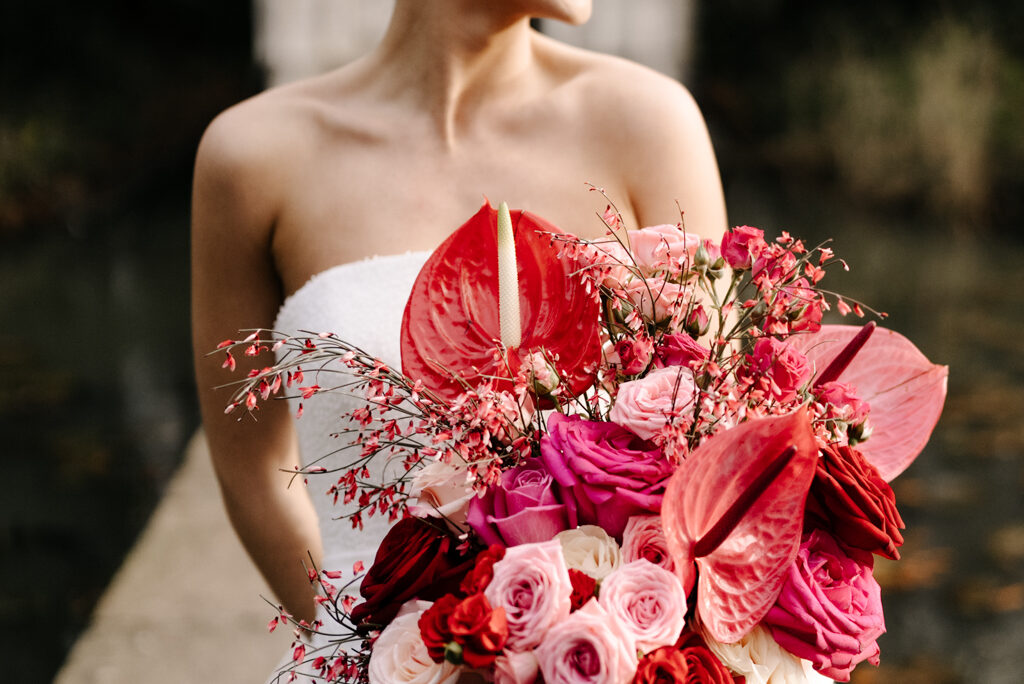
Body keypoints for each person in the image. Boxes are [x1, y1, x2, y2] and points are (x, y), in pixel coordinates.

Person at [191, 0, 726, 676]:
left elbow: (715, 458)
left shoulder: (650, 123)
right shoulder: (253, 155)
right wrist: (384, 653)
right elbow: (252, 475)